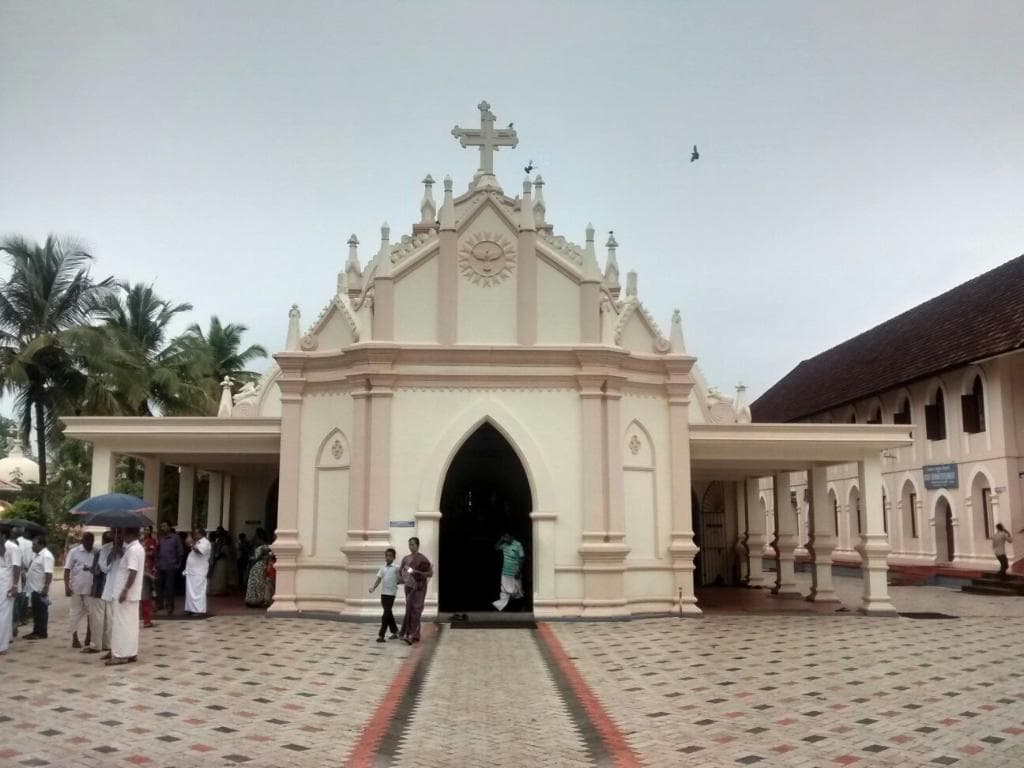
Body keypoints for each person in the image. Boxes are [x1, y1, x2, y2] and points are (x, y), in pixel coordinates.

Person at [108, 527, 145, 666]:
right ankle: (131, 652)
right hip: (132, 595)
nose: (122, 536)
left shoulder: (134, 550)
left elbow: (133, 572)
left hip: (126, 595)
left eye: (123, 533)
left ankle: (120, 655)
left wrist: (124, 590)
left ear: (129, 534)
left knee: (121, 625)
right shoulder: (136, 549)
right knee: (130, 625)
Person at [83, 531, 113, 655]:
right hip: (110, 590)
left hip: (99, 589)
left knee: (97, 619)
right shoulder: (116, 552)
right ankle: (107, 644)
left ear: (103, 540)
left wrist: (88, 568)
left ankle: (96, 645)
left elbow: (97, 571)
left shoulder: (101, 552)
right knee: (108, 618)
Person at [63, 532, 95, 648]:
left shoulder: (96, 552)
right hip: (76, 588)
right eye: (87, 541)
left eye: (92, 541)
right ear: (83, 541)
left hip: (91, 589)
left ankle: (88, 636)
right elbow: (67, 570)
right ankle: (74, 637)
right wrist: (66, 586)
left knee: (91, 614)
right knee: (74, 613)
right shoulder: (74, 552)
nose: (90, 544)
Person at [398, 537, 432, 645]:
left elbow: (430, 574)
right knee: (409, 609)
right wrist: (400, 579)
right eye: (409, 544)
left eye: (413, 544)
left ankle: (412, 635)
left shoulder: (423, 559)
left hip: (420, 587)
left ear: (418, 545)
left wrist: (417, 572)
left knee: (416, 610)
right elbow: (401, 573)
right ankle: (412, 634)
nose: (411, 546)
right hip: (409, 587)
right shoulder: (405, 559)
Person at [24, 534, 54, 640]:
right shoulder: (37, 555)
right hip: (33, 589)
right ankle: (36, 631)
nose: (32, 546)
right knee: (36, 612)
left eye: (34, 544)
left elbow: (48, 573)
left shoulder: (46, 556)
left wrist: (45, 587)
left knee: (41, 611)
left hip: (39, 589)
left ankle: (41, 633)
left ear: (41, 544)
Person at [97, 530, 121, 659]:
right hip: (112, 589)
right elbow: (104, 568)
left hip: (124, 590)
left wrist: (120, 550)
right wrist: (112, 553)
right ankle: (112, 649)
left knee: (121, 621)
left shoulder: (128, 548)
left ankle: (121, 649)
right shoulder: (106, 549)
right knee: (111, 621)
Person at [368, 547, 400, 642]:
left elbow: (399, 579)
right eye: (386, 555)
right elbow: (378, 580)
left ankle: (381, 635)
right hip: (384, 594)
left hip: (391, 594)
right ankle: (395, 631)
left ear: (394, 557)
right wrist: (373, 588)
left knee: (385, 615)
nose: (388, 557)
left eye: (390, 556)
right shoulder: (383, 568)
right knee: (388, 613)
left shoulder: (396, 568)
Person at [0, 527, 22, 655]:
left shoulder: (13, 547)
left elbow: (17, 567)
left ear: (3, 535)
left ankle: (2, 646)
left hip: (7, 585)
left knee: (5, 614)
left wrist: (14, 585)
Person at [492, 532, 525, 612]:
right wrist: (500, 540)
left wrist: (519, 571)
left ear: (511, 536)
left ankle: (520, 608)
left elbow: (522, 558)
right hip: (505, 572)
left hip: (515, 573)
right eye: (504, 537)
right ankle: (502, 608)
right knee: (505, 591)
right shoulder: (504, 545)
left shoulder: (518, 545)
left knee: (517, 592)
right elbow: (496, 547)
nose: (506, 538)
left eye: (507, 536)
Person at [155, 522, 183, 615]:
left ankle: (170, 606)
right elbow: (158, 550)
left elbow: (180, 552)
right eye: (161, 526)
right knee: (159, 586)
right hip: (161, 565)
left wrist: (178, 564)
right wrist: (157, 562)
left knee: (169, 587)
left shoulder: (175, 538)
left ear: (169, 527)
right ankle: (159, 604)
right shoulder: (161, 538)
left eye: (165, 526)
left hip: (171, 566)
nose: (163, 528)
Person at [184, 527, 211, 615]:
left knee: (198, 590)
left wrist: (191, 544)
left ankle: (199, 610)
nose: (194, 535)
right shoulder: (197, 542)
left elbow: (199, 551)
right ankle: (191, 609)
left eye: (196, 533)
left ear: (201, 534)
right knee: (190, 590)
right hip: (192, 571)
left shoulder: (205, 542)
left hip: (199, 571)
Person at [245, 530, 273, 608]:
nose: (255, 539)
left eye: (256, 537)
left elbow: (268, 557)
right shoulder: (260, 546)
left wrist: (258, 558)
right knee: (255, 583)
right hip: (257, 566)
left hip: (260, 566)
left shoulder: (266, 547)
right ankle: (254, 600)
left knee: (260, 583)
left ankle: (259, 600)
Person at [15, 527, 33, 631]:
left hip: (17, 571)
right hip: (25, 571)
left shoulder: (11, 543)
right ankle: (23, 618)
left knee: (17, 597)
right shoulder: (29, 544)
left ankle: (16, 620)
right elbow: (31, 559)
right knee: (25, 594)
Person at [140, 527, 157, 628]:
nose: (145, 531)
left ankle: (147, 620)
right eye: (144, 529)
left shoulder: (152, 541)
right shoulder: (139, 542)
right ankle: (145, 619)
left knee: (147, 596)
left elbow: (152, 553)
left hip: (148, 571)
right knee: (143, 597)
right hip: (141, 572)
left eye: (147, 529)